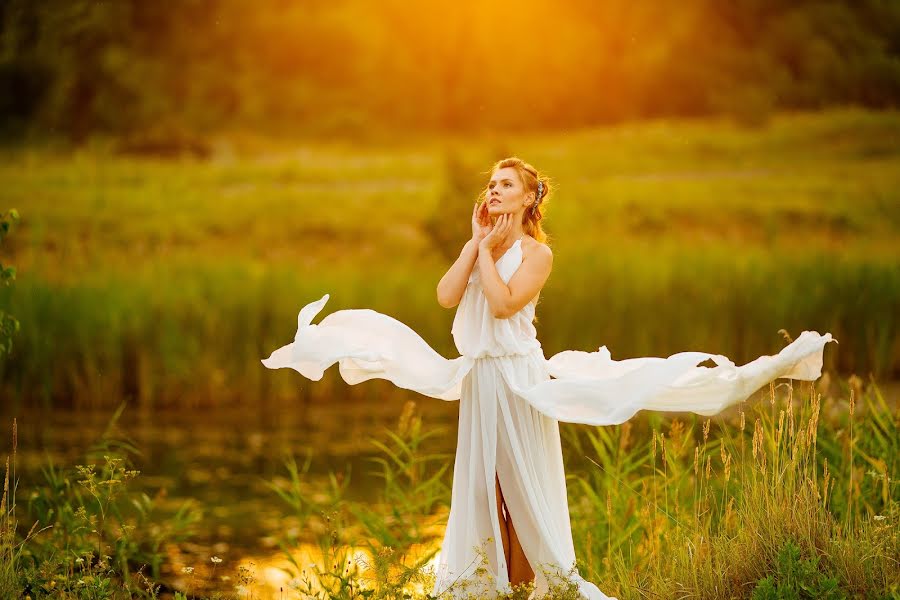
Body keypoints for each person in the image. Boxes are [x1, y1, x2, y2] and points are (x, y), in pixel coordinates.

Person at [261, 157, 836, 600]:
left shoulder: (537, 254)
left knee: (519, 489)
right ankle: (489, 584)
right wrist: (474, 244)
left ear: (532, 196)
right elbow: (443, 297)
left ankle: (534, 584)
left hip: (517, 379)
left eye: (506, 185)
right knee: (483, 486)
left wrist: (488, 251)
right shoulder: (478, 245)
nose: (494, 192)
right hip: (482, 380)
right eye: (491, 184)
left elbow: (506, 304)